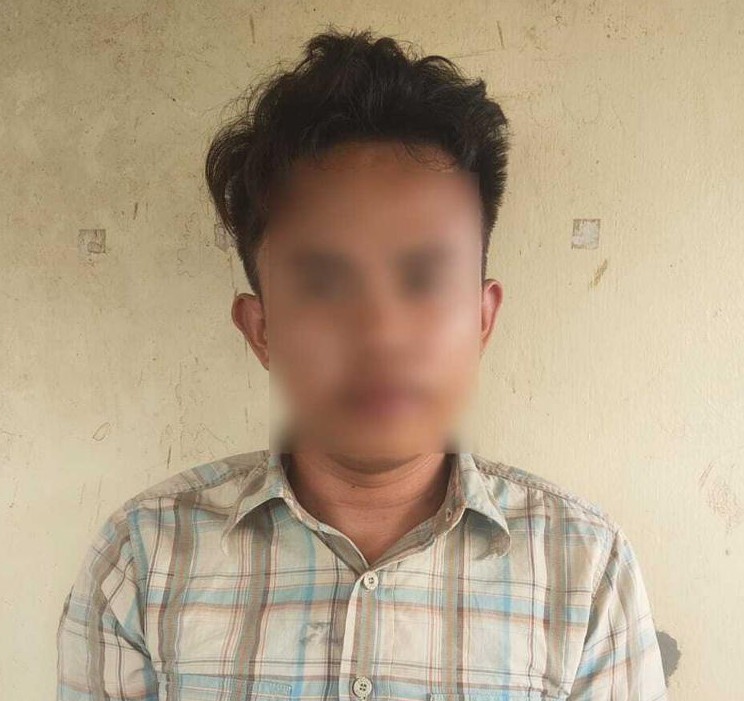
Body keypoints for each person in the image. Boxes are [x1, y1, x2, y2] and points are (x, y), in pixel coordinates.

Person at [57, 25, 667, 701]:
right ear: (261, 329)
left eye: (424, 278)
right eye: (323, 283)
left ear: (482, 318)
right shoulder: (143, 561)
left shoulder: (584, 571)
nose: (381, 333)